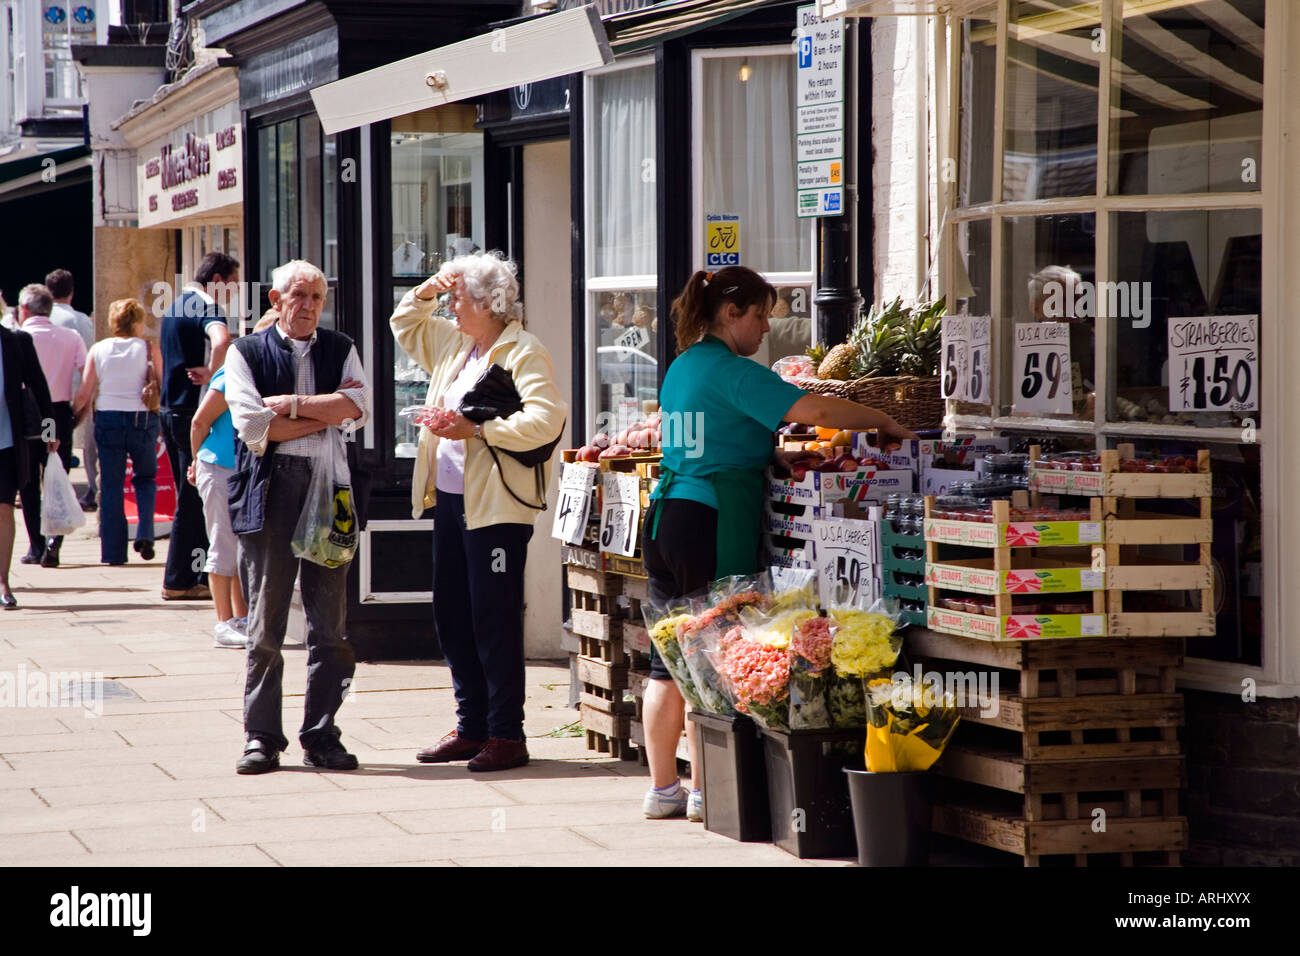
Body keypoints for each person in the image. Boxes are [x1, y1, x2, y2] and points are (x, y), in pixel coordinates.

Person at [640, 266, 918, 820]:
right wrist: (883, 418)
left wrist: (770, 455)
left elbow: (709, 433)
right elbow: (811, 410)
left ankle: (663, 789)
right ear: (730, 314)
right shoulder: (732, 370)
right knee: (711, 656)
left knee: (667, 657)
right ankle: (706, 790)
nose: (767, 327)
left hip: (667, 514)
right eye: (760, 315)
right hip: (709, 519)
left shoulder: (684, 366)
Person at [390, 251, 566, 773]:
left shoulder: (522, 351)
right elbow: (404, 322)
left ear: (489, 303)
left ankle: (506, 734)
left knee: (494, 617)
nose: (449, 305)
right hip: (450, 499)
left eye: (458, 298)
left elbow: (546, 421)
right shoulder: (459, 344)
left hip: (497, 508)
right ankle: (472, 727)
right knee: (453, 612)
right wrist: (427, 287)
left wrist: (478, 430)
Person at [223, 260, 371, 775]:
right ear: (274, 298)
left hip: (331, 491)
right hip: (270, 492)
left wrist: (290, 404)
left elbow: (355, 407)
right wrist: (318, 415)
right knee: (265, 626)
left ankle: (322, 733)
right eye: (299, 296)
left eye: (317, 297)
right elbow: (251, 428)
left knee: (331, 626)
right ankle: (262, 737)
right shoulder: (245, 352)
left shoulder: (340, 346)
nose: (308, 306)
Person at [159, 252, 238, 600]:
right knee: (194, 496)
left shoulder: (176, 305)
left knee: (189, 493)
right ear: (217, 280)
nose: (234, 293)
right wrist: (216, 374)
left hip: (170, 407)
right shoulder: (206, 306)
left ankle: (190, 577)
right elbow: (222, 340)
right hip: (193, 409)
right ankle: (180, 579)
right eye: (232, 285)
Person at [73, 299, 162, 567]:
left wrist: (72, 417)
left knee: (111, 487)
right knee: (145, 479)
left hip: (108, 419)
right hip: (142, 419)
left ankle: (113, 552)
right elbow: (163, 383)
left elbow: (84, 393)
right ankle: (146, 533)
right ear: (137, 321)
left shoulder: (99, 349)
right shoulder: (148, 348)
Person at [16, 284, 86, 567]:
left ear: (24, 309)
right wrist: (79, 408)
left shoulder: (18, 338)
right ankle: (55, 542)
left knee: (29, 481)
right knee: (58, 476)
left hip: (26, 411)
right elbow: (87, 371)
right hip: (57, 411)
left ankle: (36, 545)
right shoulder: (71, 336)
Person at [187, 365, 248, 649]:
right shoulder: (230, 374)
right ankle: (224, 623)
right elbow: (199, 422)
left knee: (237, 548)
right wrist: (196, 461)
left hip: (239, 469)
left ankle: (241, 619)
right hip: (219, 466)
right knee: (223, 544)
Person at [0, 321, 56, 609]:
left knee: (4, 508)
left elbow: (38, 385)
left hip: (7, 442)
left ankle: (3, 582)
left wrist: (50, 430)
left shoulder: (16, 341)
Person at [46, 269, 99, 512]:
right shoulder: (83, 321)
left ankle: (46, 499)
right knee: (87, 447)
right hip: (79, 396)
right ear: (72, 292)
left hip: (45, 399)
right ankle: (90, 491)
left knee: (45, 452)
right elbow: (90, 362)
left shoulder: (41, 319)